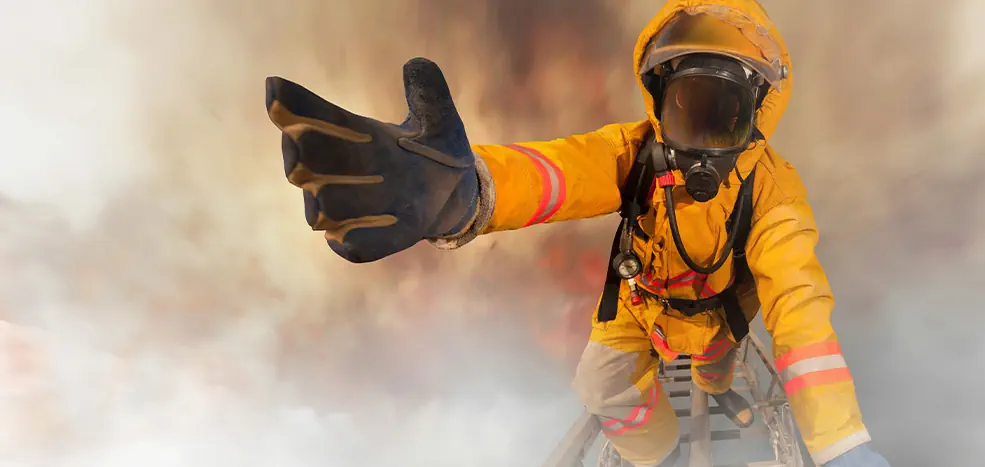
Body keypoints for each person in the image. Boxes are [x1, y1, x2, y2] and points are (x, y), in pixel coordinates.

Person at [262, 1, 891, 466]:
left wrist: (841, 441)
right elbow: (558, 172)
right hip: (640, 308)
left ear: (755, 115)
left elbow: (801, 310)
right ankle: (661, 456)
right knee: (601, 387)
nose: (699, 137)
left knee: (712, 369)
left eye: (720, 114)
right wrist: (467, 191)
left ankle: (716, 386)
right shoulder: (634, 151)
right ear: (658, 106)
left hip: (718, 318)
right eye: (685, 109)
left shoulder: (775, 190)